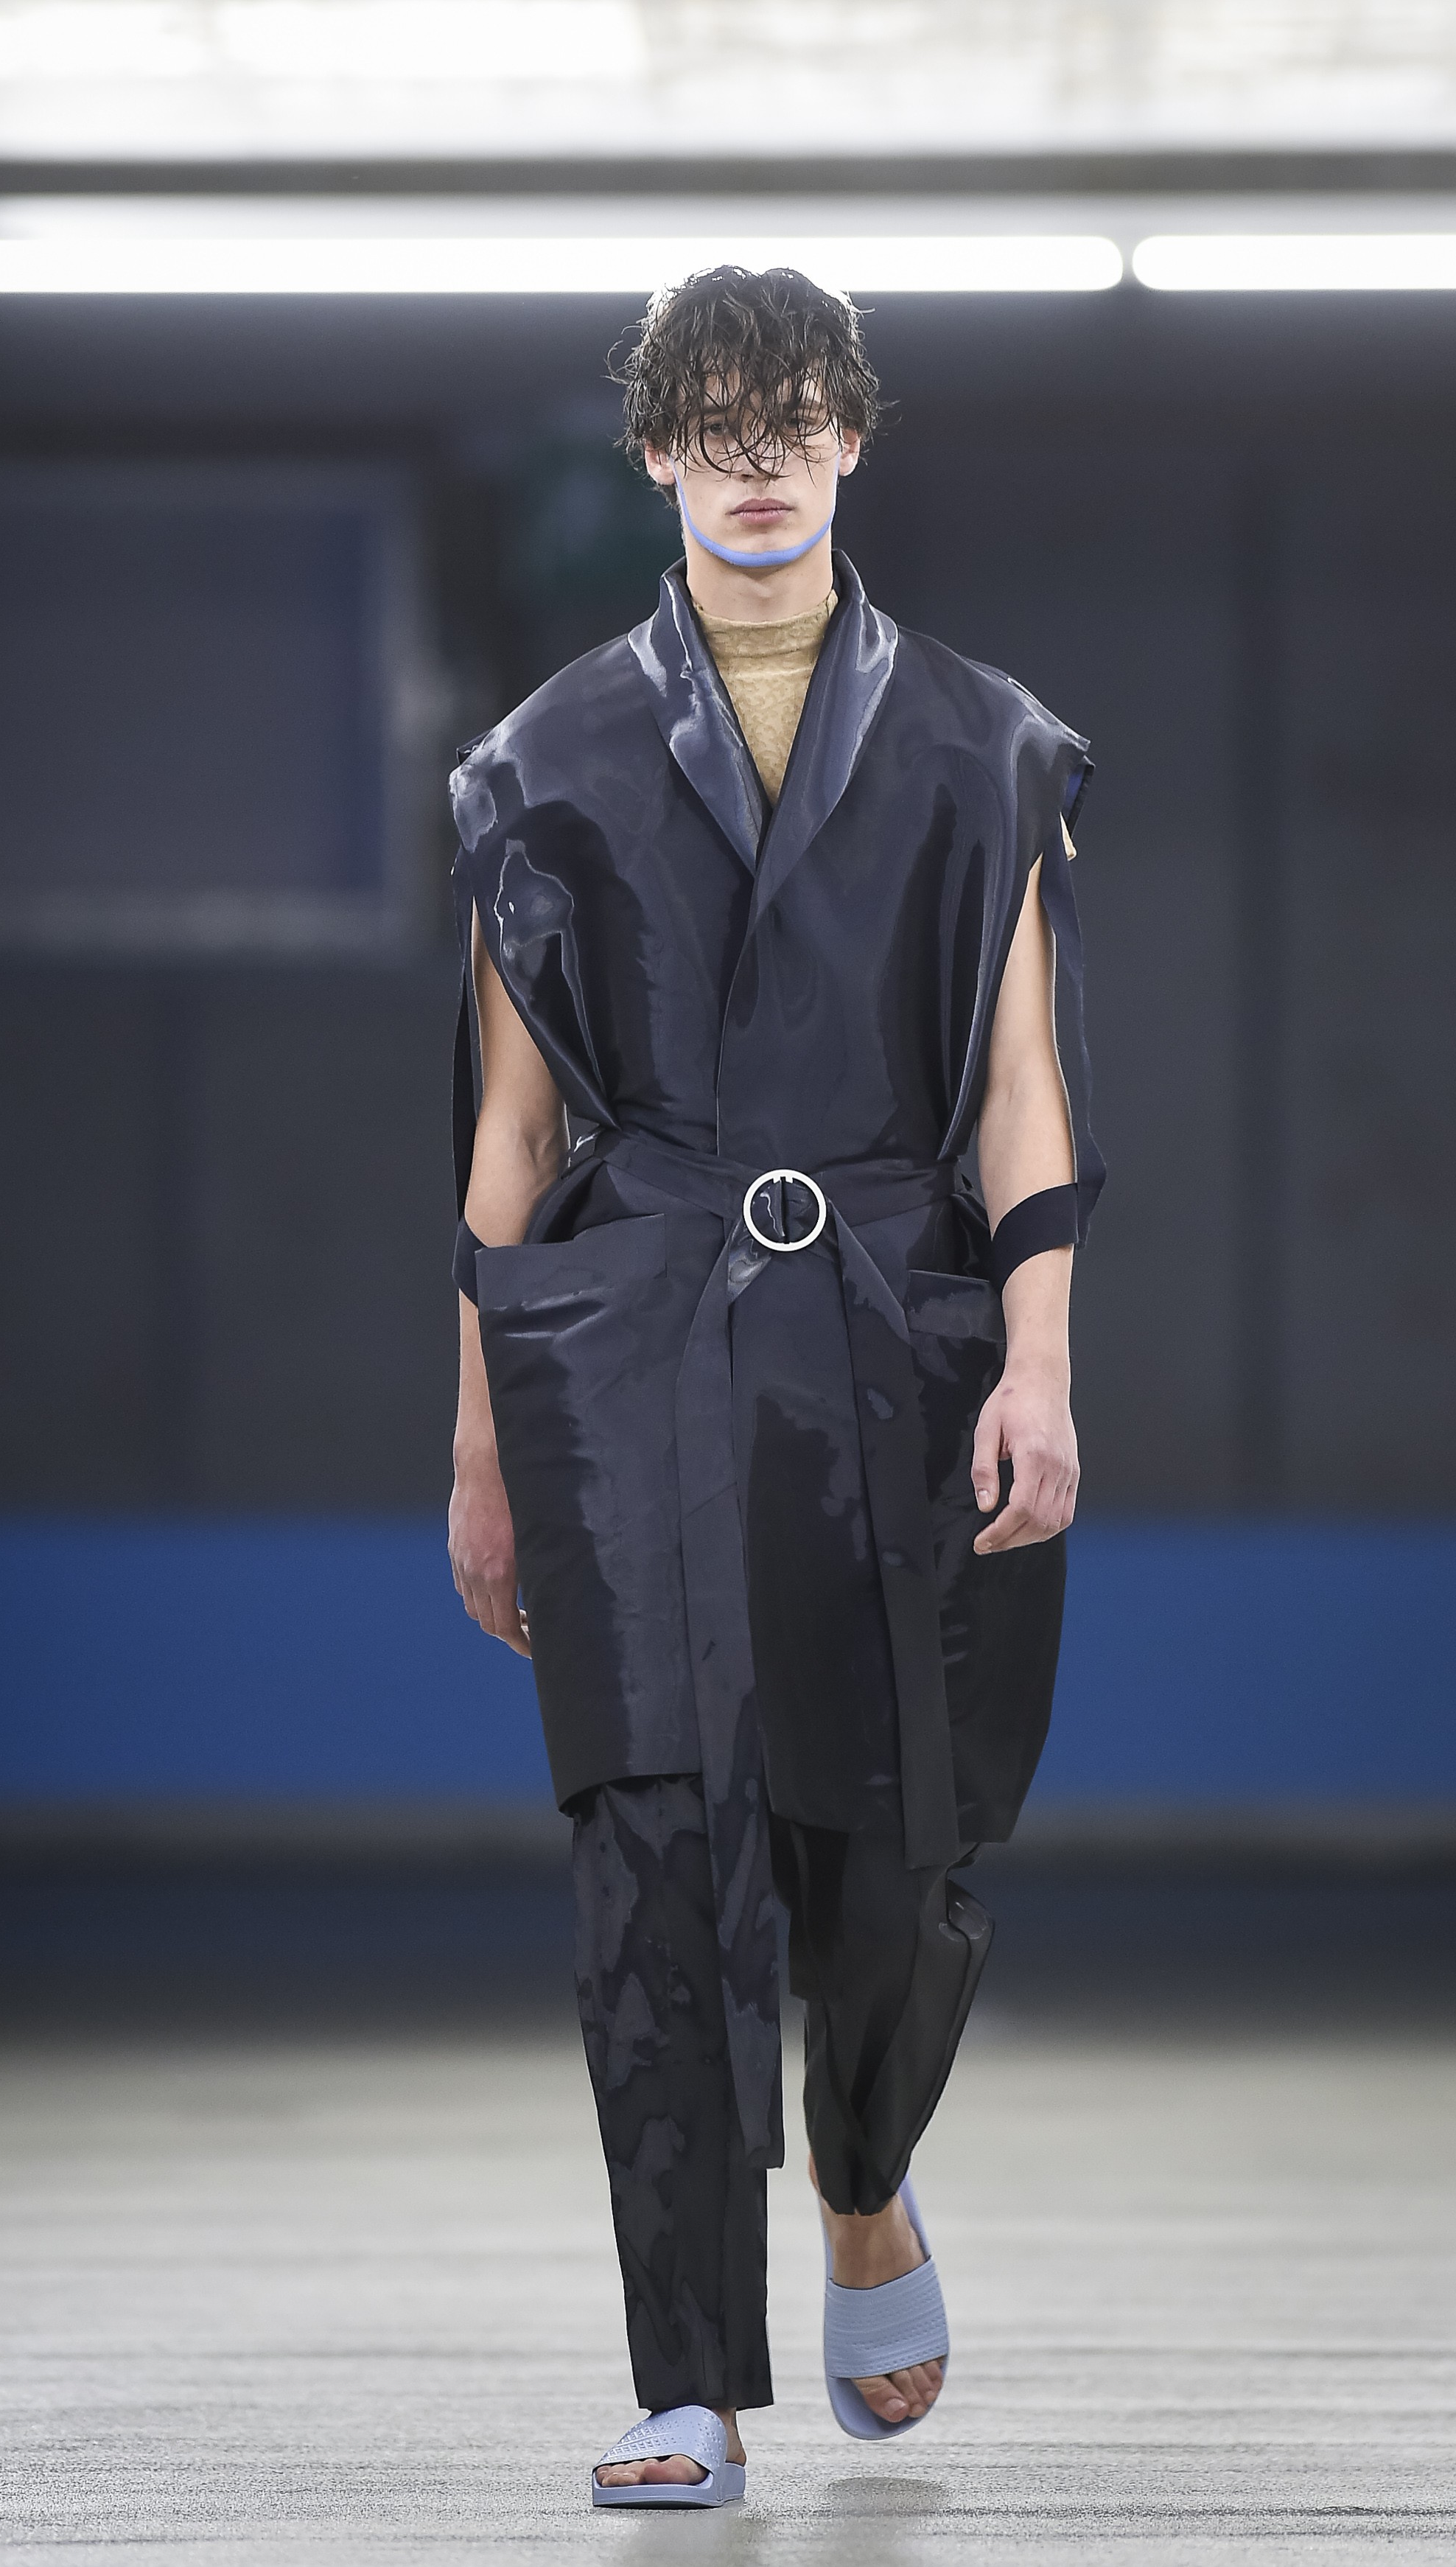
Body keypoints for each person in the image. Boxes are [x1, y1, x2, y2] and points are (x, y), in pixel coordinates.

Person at [447, 264, 1101, 2508]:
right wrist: (483, 1445)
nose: (754, 458)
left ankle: (862, 2171)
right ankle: (684, 2385)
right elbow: (511, 1135)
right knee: (654, 1843)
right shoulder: (545, 762)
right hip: (628, 1338)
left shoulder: (985, 748)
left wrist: (1041, 1362)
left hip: (898, 1328)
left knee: (899, 1837)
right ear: (653, 450)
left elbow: (1021, 1087)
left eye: (792, 415)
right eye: (711, 420)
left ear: (852, 437)